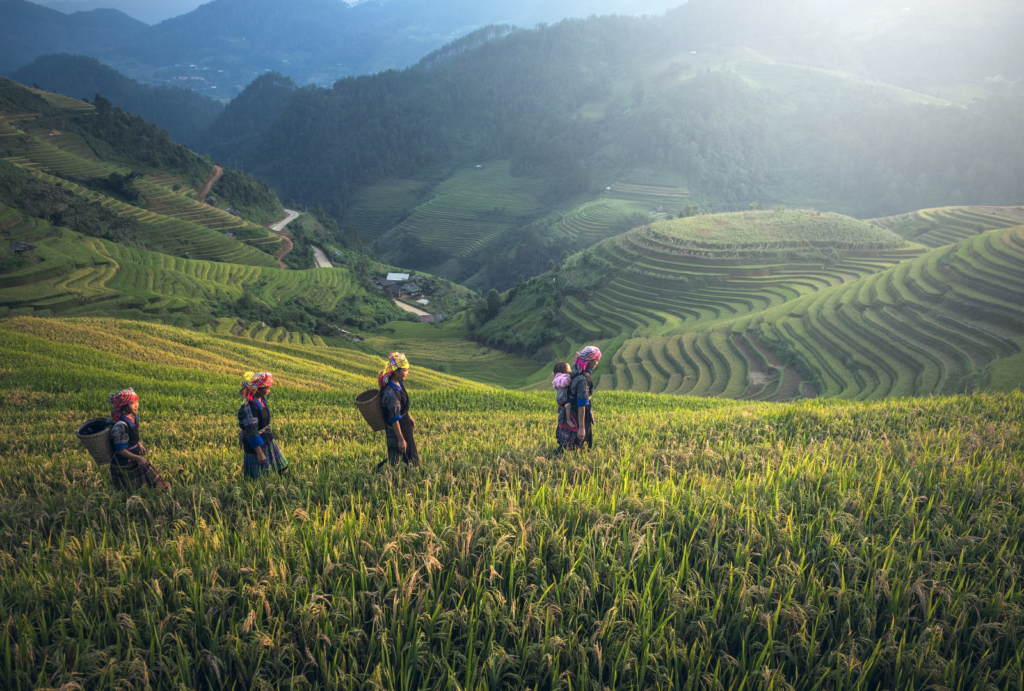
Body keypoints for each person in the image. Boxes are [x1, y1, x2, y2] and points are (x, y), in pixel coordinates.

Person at [108, 388, 170, 491]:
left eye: (137, 401)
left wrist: (139, 445)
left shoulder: (133, 417)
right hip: (124, 463)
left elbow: (132, 437)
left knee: (152, 483)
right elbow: (120, 449)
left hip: (134, 456)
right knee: (129, 490)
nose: (136, 405)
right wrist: (138, 458)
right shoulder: (120, 425)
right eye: (132, 403)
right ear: (124, 406)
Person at [238, 371, 289, 479]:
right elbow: (251, 432)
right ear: (257, 390)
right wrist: (259, 453)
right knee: (256, 477)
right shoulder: (250, 407)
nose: (269, 391)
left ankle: (284, 485)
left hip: (268, 439)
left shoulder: (261, 400)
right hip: (256, 445)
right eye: (268, 388)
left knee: (283, 467)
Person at [376, 352, 419, 470]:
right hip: (397, 430)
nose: (407, 373)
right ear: (396, 371)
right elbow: (394, 419)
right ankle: (393, 482)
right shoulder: (391, 393)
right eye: (405, 370)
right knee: (396, 461)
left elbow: (401, 408)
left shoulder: (398, 383)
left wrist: (408, 417)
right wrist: (400, 439)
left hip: (404, 425)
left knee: (411, 458)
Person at [556, 346, 602, 453]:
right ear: (589, 360)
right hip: (578, 414)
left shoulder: (576, 371)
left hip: (571, 411)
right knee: (579, 448)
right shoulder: (583, 378)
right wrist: (581, 428)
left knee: (568, 446)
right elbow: (582, 403)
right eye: (596, 360)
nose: (597, 363)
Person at [552, 361, 571, 439]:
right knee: (568, 406)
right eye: (569, 368)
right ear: (565, 370)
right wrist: (569, 380)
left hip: (560, 399)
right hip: (563, 398)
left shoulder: (558, 377)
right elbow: (564, 382)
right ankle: (569, 420)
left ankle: (560, 423)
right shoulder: (562, 377)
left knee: (562, 410)